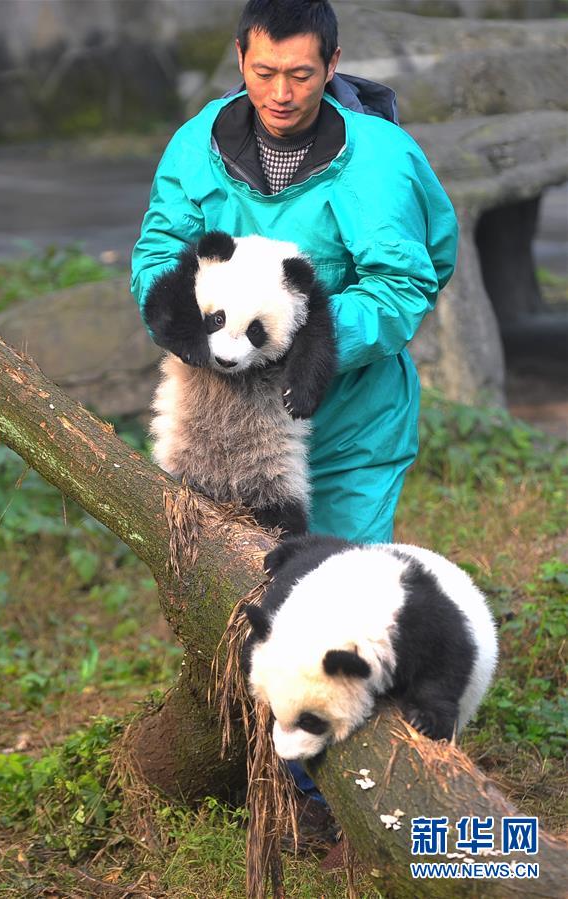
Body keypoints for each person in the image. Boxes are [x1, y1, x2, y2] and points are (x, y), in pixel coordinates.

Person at [131, 0, 458, 840]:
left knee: (327, 607)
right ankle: (245, 748)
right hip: (221, 427)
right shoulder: (196, 143)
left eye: (303, 74)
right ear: (240, 57)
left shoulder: (378, 159)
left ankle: (325, 801)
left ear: (334, 63)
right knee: (229, 592)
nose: (282, 91)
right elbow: (157, 251)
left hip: (344, 419)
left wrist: (294, 339)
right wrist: (182, 322)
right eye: (265, 71)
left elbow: (408, 280)